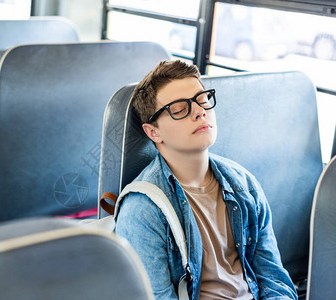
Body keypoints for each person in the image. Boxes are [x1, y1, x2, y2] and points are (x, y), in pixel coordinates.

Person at [114, 60, 298, 300]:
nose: (200, 111)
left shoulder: (244, 184)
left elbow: (274, 280)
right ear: (153, 132)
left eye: (202, 100)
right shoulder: (143, 210)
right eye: (179, 109)